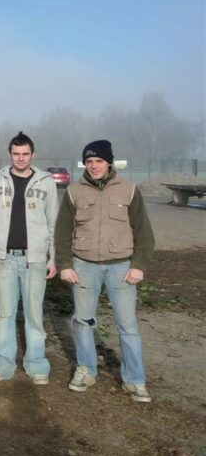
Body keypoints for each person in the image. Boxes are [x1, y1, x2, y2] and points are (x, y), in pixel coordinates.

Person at [55, 140, 155, 403]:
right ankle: (86, 370)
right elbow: (62, 232)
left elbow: (143, 232)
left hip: (121, 267)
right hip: (84, 266)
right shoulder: (74, 191)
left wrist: (139, 266)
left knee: (128, 326)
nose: (94, 166)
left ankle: (134, 381)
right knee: (83, 322)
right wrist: (65, 265)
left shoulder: (129, 190)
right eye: (89, 161)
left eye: (98, 161)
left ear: (109, 162)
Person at [0, 131, 58, 384]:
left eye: (25, 154)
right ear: (9, 154)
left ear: (32, 155)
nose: (21, 158)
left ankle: (36, 363)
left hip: (34, 259)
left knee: (34, 313)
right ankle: (4, 361)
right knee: (5, 313)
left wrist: (52, 258)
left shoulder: (46, 182)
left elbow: (53, 223)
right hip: (4, 258)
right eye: (16, 154)